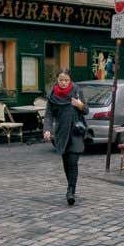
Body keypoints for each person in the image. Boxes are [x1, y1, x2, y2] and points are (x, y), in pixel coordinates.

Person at [42, 68, 87, 205]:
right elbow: (49, 115)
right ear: (57, 79)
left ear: (70, 80)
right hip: (61, 133)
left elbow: (86, 110)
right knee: (66, 162)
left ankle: (70, 190)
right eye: (61, 80)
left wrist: (80, 105)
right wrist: (47, 130)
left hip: (75, 132)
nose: (63, 82)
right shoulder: (52, 95)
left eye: (66, 80)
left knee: (73, 161)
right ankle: (70, 187)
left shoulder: (77, 91)